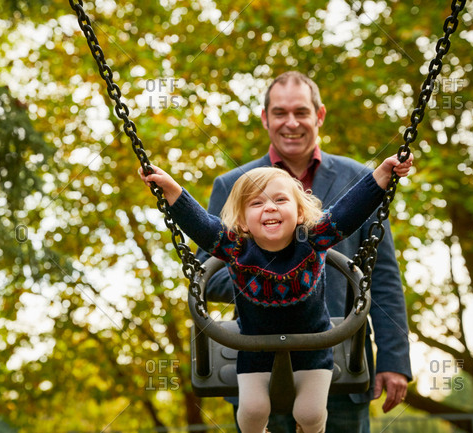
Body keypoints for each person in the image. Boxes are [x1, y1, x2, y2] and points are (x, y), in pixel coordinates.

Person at [200, 71, 413, 432]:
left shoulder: (359, 181)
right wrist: (271, 276)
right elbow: (209, 274)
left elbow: (383, 276)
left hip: (341, 355)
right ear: (266, 118)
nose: (291, 123)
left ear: (319, 115)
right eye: (280, 113)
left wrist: (395, 358)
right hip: (259, 362)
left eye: (301, 111)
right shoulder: (234, 185)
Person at [139, 153, 413, 433]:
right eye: (256, 203)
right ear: (243, 221)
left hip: (314, 343)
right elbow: (201, 225)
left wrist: (381, 175)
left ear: (300, 212)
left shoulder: (315, 238)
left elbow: (349, 210)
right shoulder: (235, 248)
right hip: (255, 346)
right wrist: (172, 190)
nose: (269, 207)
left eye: (280, 200)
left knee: (310, 413)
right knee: (252, 411)